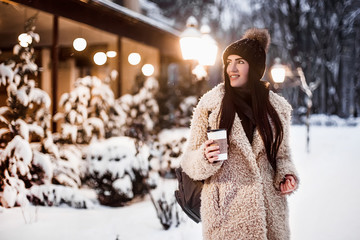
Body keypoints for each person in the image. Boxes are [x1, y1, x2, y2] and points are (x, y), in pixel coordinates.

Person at [180, 28, 299, 240]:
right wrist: (205, 157)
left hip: (269, 216)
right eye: (229, 62)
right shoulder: (210, 105)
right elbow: (189, 161)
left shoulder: (278, 108)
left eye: (240, 62)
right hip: (226, 217)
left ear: (254, 68)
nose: (231, 69)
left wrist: (286, 175)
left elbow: (282, 156)